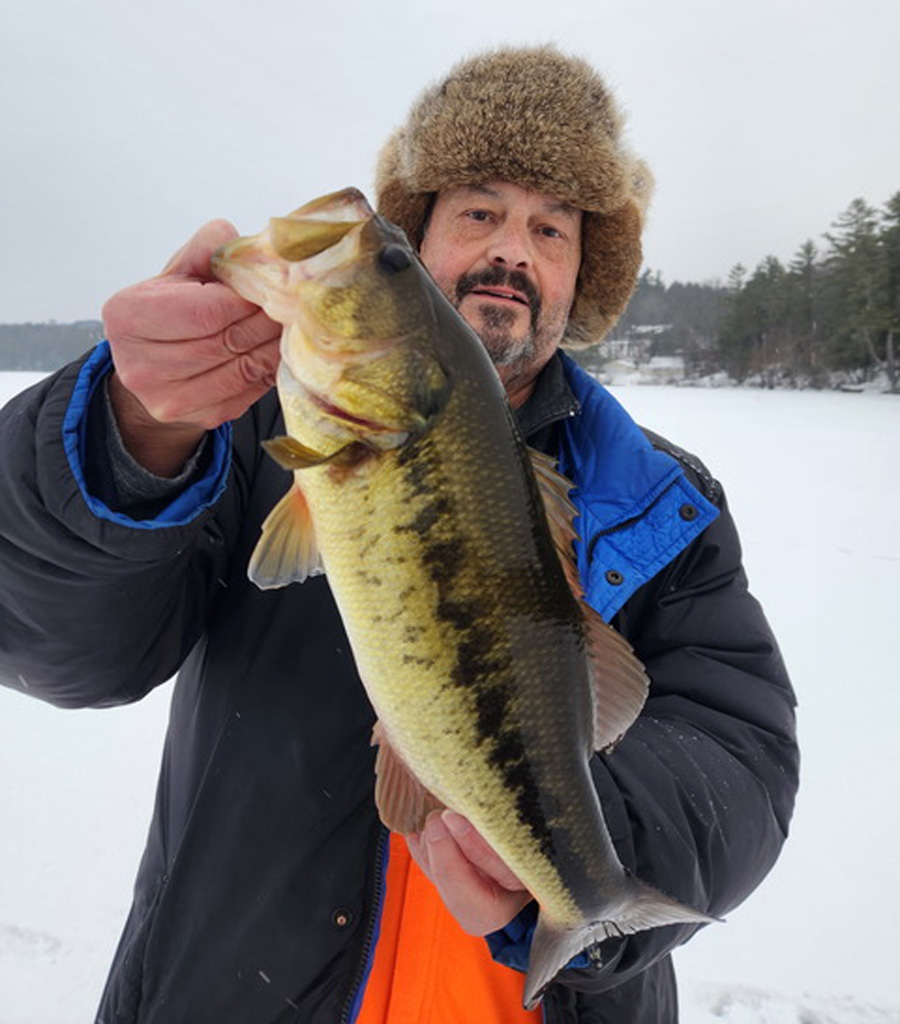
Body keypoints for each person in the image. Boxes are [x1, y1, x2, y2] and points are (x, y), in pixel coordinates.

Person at [0, 45, 798, 1023]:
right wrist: (130, 437)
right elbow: (63, 647)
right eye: (478, 211)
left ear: (582, 272)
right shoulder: (245, 442)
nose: (513, 248)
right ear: (419, 241)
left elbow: (739, 757)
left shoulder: (668, 503)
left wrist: (583, 846)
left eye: (551, 226)